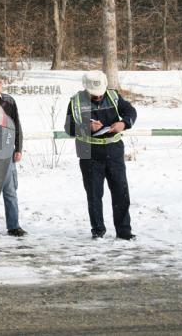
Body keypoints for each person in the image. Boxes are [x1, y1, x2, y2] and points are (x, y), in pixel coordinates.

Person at [64, 70, 137, 240]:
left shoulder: (114, 96)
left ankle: (124, 232)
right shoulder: (75, 102)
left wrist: (123, 123)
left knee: (121, 192)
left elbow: (131, 112)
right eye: (93, 95)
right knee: (94, 195)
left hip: (114, 150)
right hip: (88, 151)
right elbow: (69, 128)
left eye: (99, 94)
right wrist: (86, 127)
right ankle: (98, 231)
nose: (97, 97)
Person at [0, 72, 27, 237]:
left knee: (10, 191)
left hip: (7, 154)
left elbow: (17, 126)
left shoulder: (9, 101)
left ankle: (13, 226)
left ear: (0, 85)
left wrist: (18, 148)